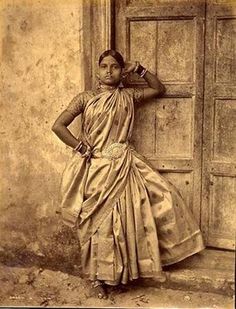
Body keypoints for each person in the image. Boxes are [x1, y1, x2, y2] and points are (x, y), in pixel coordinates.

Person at [52, 50, 205, 299]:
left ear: (122, 71)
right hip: (96, 168)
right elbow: (58, 125)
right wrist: (80, 146)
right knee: (99, 226)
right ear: (97, 70)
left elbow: (159, 89)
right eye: (104, 66)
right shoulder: (86, 98)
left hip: (124, 165)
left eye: (115, 66)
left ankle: (119, 276)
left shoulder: (128, 96)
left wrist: (140, 69)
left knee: (124, 221)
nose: (109, 71)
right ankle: (96, 279)